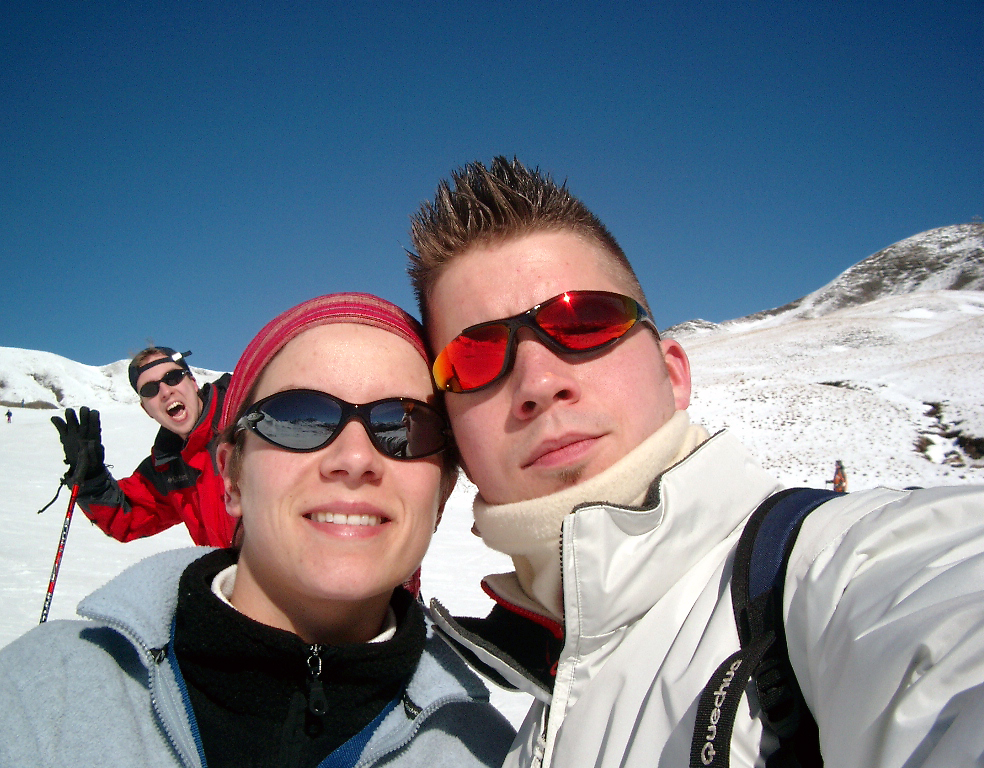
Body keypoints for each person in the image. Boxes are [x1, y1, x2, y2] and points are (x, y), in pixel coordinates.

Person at [407, 157, 984, 767]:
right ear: (454, 434)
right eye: (473, 358)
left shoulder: (831, 575)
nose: (538, 381)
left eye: (583, 321)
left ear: (673, 373)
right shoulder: (534, 727)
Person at [0, 293, 515, 767]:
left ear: (443, 487)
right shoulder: (44, 701)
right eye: (300, 419)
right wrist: (95, 486)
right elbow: (129, 516)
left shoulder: (477, 747)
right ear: (232, 475)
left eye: (403, 426)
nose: (354, 458)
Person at [51, 346, 235, 545]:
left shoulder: (244, 416)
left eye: (173, 377)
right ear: (146, 409)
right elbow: (127, 516)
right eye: (150, 390)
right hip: (231, 575)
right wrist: (91, 477)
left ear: (193, 382)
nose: (165, 391)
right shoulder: (169, 468)